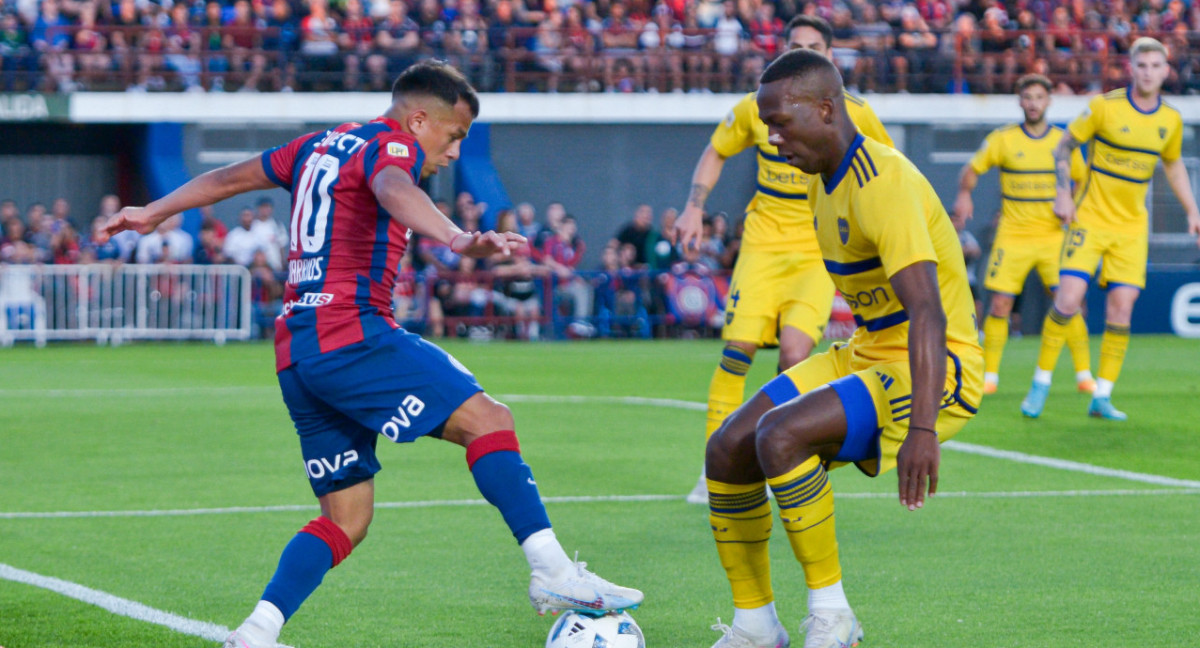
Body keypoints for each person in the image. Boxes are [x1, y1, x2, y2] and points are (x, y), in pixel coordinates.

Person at [96, 60, 642, 648]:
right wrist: (457, 238)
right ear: (418, 119)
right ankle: (554, 572)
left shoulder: (319, 143)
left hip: (298, 349)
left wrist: (153, 210)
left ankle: (256, 632)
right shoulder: (393, 146)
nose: (455, 152)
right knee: (490, 420)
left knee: (346, 520)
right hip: (350, 330)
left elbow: (229, 178)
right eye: (454, 135)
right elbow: (392, 187)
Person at [703, 49, 981, 648]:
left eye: (780, 122)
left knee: (780, 435)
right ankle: (756, 625)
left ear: (827, 108)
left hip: (938, 367)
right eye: (765, 124)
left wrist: (924, 430)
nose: (771, 138)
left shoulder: (884, 183)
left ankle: (834, 620)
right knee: (727, 447)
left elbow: (928, 312)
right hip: (868, 352)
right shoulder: (817, 184)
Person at [677, 14, 894, 505]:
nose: (804, 54)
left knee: (797, 357)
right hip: (762, 246)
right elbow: (715, 152)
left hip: (819, 253)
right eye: (796, 46)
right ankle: (716, 469)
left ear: (830, 57)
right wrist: (694, 205)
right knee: (738, 352)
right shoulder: (755, 108)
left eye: (814, 47)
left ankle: (773, 453)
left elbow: (887, 173)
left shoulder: (854, 113)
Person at [1020, 37, 1200, 421]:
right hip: (1090, 220)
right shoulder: (1104, 107)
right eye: (1142, 65)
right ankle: (1041, 381)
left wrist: (1192, 210)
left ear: (1166, 71)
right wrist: (1063, 195)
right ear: (1131, 69)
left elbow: (1173, 165)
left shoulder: (1170, 119)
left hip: (1132, 228)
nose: (1149, 72)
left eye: (1156, 66)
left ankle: (1102, 396)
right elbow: (1064, 147)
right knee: (1067, 301)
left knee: (1122, 309)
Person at [953, 73, 1095, 396]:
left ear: (1049, 102)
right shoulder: (1003, 139)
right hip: (1013, 235)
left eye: (1039, 98)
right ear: (1020, 101)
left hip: (1052, 236)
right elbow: (971, 170)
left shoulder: (1063, 143)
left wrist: (1072, 202)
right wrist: (964, 195)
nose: (1033, 103)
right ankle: (990, 377)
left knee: (1069, 303)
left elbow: (1083, 181)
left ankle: (1084, 374)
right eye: (1027, 97)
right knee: (1000, 304)